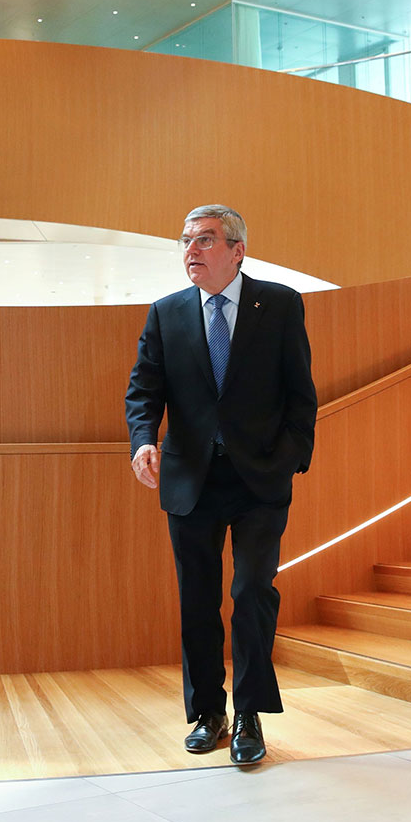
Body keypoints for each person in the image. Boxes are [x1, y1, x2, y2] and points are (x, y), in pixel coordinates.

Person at [125, 204, 317, 765]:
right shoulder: (166, 313)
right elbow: (144, 391)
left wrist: (291, 457)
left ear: (237, 250)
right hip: (191, 481)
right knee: (198, 600)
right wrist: (143, 440)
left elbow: (299, 391)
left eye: (205, 240)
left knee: (252, 591)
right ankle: (208, 711)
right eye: (185, 241)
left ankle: (251, 715)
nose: (191, 251)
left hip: (260, 478)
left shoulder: (279, 304)